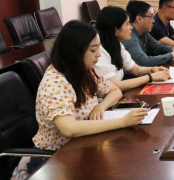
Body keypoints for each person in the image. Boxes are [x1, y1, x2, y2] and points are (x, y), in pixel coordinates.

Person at [33, 21, 147, 151]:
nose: (98, 54)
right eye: (93, 50)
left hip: (86, 144)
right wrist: (122, 122)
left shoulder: (83, 70)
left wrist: (100, 107)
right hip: (57, 155)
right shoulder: (55, 83)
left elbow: (115, 91)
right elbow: (69, 129)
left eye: (98, 48)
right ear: (74, 51)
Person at [95, 6, 171, 91]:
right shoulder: (99, 51)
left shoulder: (117, 45)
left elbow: (136, 69)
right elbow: (116, 85)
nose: (131, 27)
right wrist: (150, 77)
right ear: (115, 30)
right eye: (127, 24)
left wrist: (153, 69)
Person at [122, 0, 174, 66]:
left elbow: (159, 47)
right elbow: (145, 62)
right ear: (139, 19)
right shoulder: (129, 36)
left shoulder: (144, 32)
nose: (153, 21)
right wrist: (173, 54)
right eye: (151, 17)